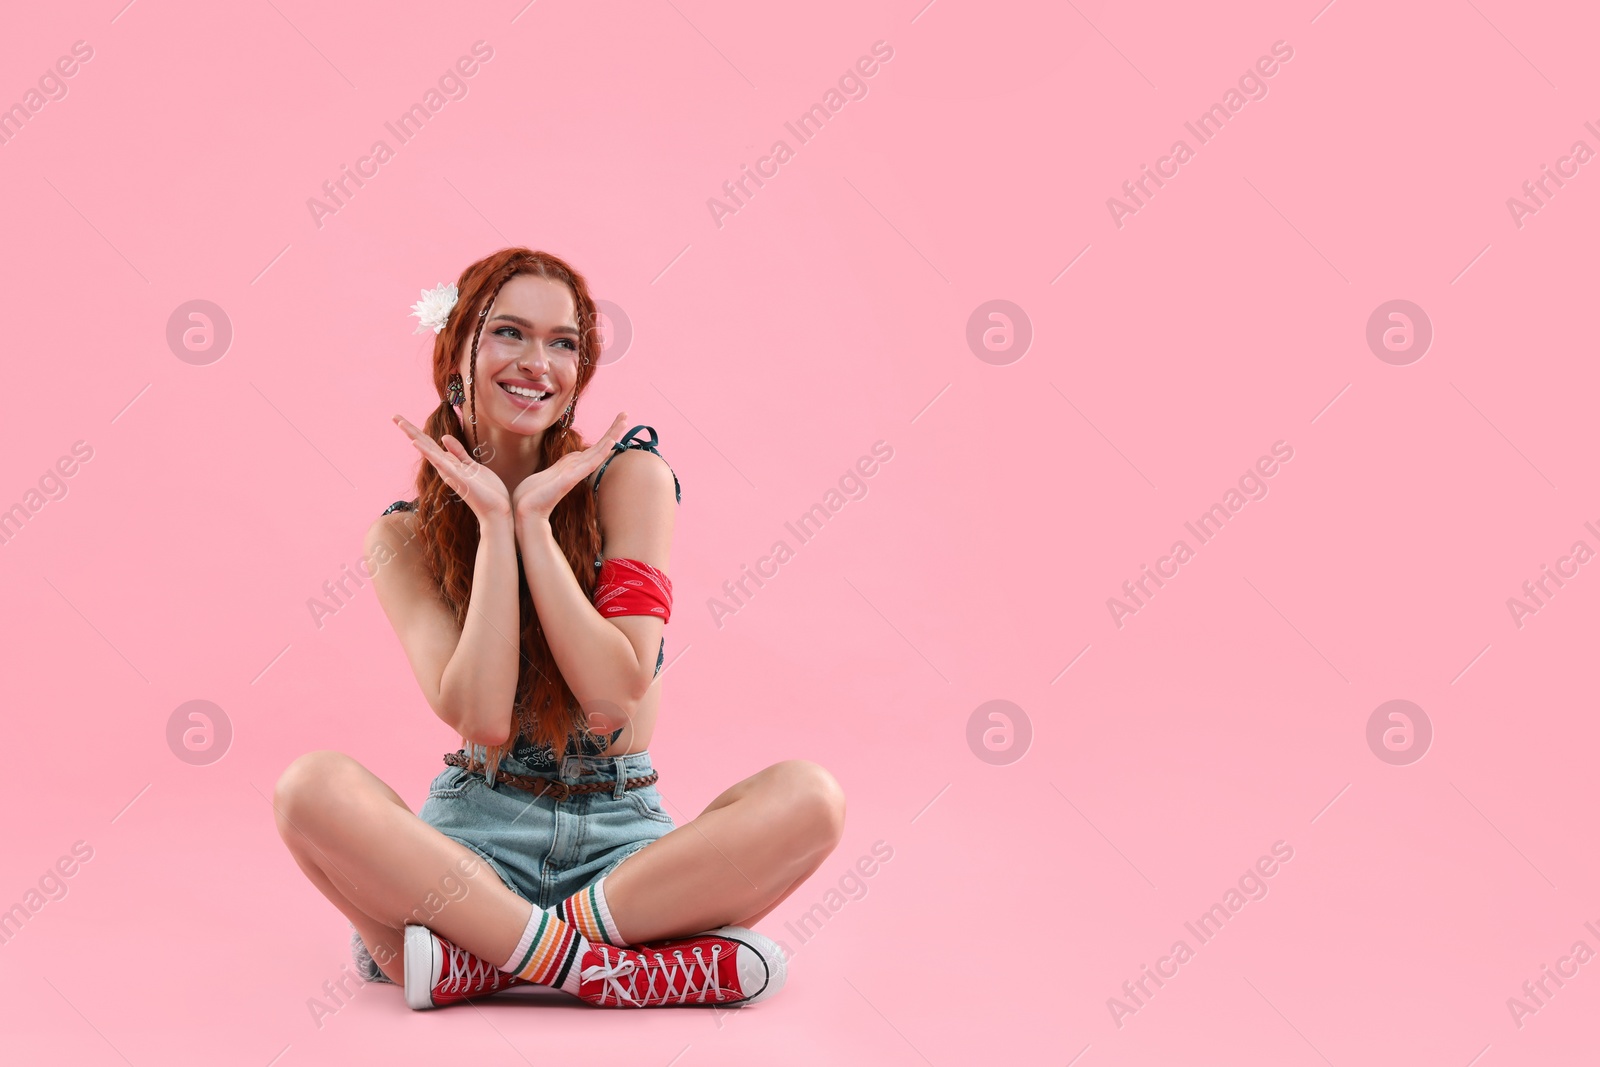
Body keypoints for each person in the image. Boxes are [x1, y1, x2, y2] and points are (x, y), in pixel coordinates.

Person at [272, 248, 846, 1009]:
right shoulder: (404, 537)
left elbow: (613, 699)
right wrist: (494, 524)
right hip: (472, 837)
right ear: (458, 354)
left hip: (623, 838)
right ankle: (604, 968)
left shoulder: (632, 479)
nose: (538, 362)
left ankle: (484, 959)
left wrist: (536, 524)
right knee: (309, 789)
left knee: (811, 798)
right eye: (509, 333)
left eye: (564, 342)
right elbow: (480, 714)